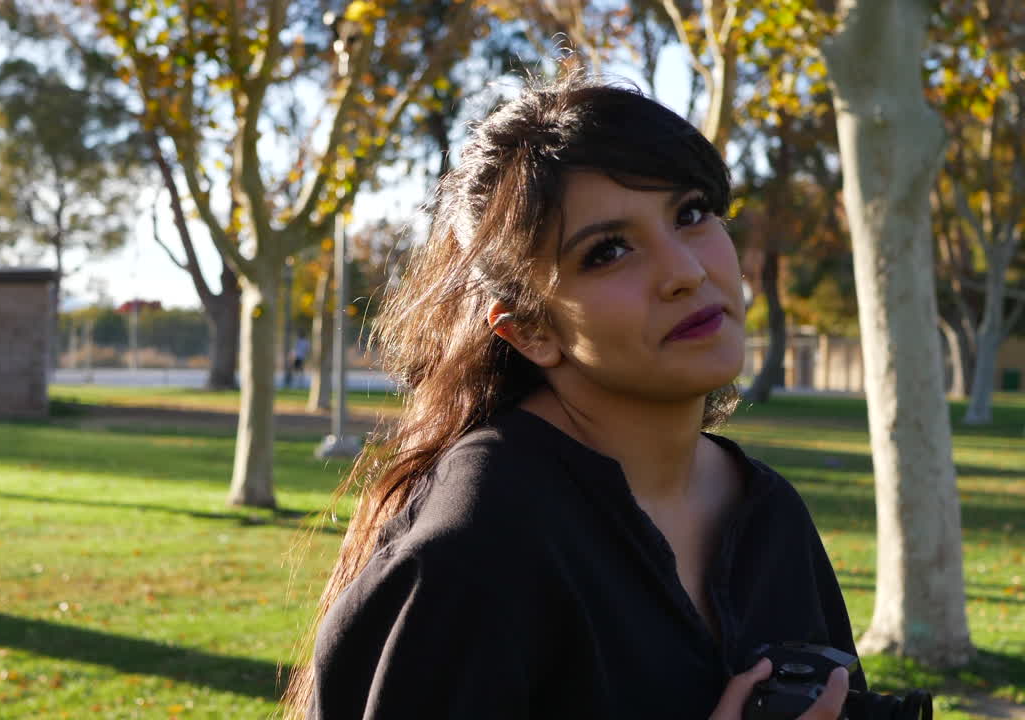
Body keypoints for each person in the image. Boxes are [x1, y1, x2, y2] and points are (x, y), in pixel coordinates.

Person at [283, 69, 865, 719]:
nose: (685, 271)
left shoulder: (770, 516)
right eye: (609, 251)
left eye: (691, 213)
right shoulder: (482, 544)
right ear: (530, 330)